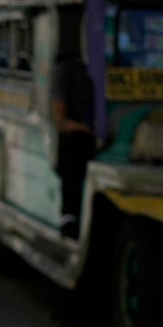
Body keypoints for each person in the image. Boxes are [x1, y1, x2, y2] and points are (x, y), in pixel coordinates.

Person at [50, 15, 96, 239]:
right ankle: (69, 218)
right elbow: (58, 119)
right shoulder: (67, 70)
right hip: (76, 141)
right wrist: (84, 129)